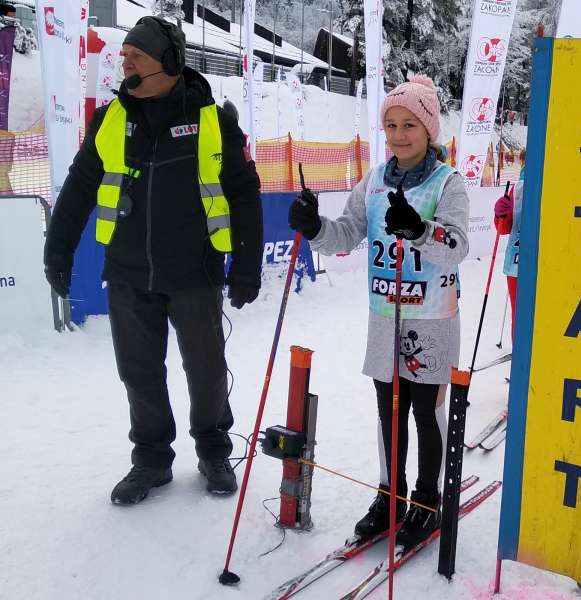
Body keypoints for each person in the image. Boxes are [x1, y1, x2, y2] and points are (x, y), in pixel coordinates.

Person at [43, 16, 263, 505]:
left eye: (136, 57)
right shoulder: (111, 120)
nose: (126, 66)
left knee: (205, 369)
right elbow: (80, 186)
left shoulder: (211, 117)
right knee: (138, 371)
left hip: (195, 270)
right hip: (128, 270)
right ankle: (150, 459)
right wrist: (57, 250)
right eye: (124, 58)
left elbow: (244, 192)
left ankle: (212, 450)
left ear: (168, 62)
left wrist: (247, 265)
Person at [288, 74, 469, 547]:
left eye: (410, 124)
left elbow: (457, 246)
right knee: (389, 411)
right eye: (391, 124)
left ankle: (426, 500)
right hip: (385, 316)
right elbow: (346, 234)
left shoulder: (447, 182)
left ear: (429, 130)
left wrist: (420, 231)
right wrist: (313, 226)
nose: (399, 134)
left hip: (430, 320)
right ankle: (391, 495)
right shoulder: (372, 182)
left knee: (424, 415)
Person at [493, 170, 524, 339]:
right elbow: (503, 228)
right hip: (518, 264)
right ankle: (519, 359)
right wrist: (500, 214)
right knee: (520, 318)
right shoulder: (519, 186)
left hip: (550, 264)